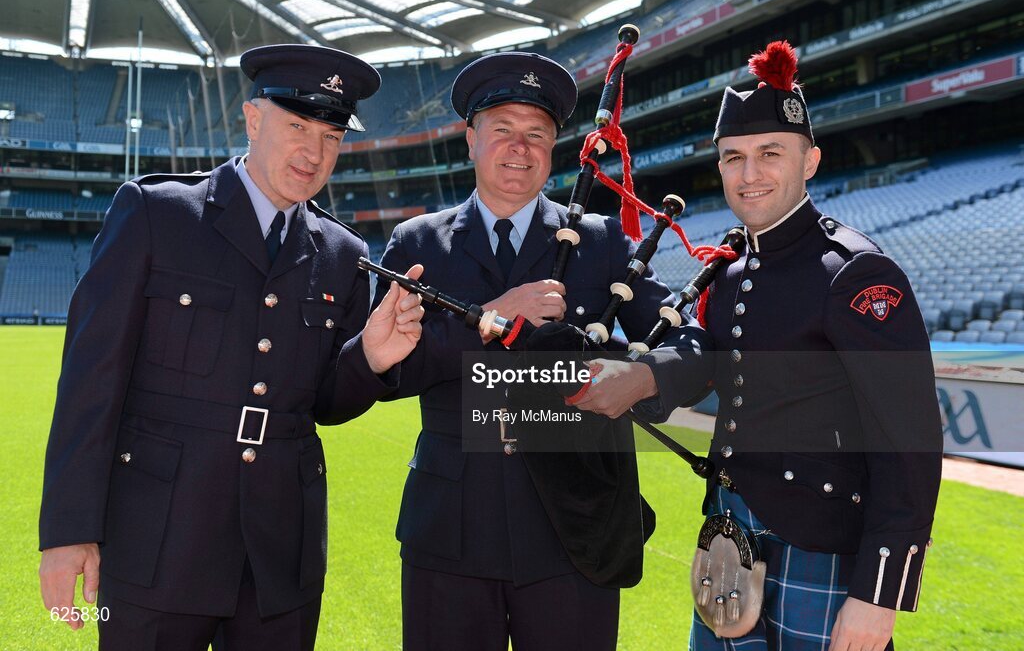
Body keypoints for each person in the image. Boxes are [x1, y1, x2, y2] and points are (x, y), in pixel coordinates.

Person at [37, 44, 425, 651]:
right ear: (251, 120)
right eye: (297, 126)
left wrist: (370, 358)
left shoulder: (343, 255)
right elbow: (90, 382)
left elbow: (323, 402)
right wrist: (68, 532)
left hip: (278, 554)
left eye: (330, 136)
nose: (313, 152)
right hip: (159, 538)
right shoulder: (157, 214)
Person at [375, 51, 710, 651]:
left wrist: (646, 379)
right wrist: (493, 317)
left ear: (553, 149)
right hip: (449, 529)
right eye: (501, 129)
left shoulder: (604, 242)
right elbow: (388, 372)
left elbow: (694, 342)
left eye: (536, 134)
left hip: (573, 529)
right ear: (471, 140)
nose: (518, 147)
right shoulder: (417, 243)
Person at [686, 40, 943, 650]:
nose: (750, 174)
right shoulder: (725, 272)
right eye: (733, 157)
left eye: (770, 153)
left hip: (822, 553)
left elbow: (909, 440)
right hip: (729, 539)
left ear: (811, 161)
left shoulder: (855, 274)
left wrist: (877, 596)